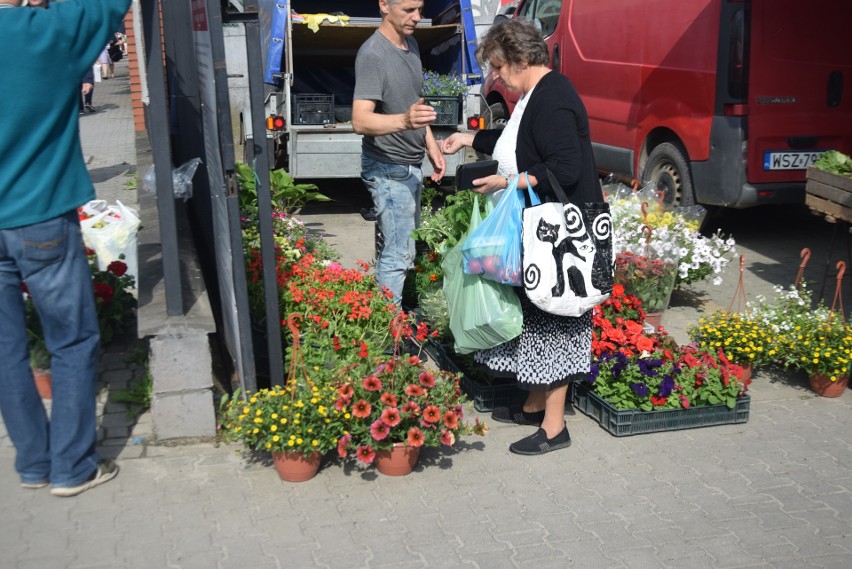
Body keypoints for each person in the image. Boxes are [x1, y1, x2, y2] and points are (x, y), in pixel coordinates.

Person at [440, 19, 601, 455]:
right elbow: (516, 143)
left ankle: (554, 428)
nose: (497, 77)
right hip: (542, 231)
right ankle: (534, 404)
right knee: (537, 317)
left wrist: (507, 184)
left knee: (555, 320)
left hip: (561, 239)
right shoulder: (536, 96)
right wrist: (468, 138)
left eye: (498, 67)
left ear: (519, 58)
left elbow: (564, 168)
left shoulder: (553, 98)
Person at [0, 0, 130, 496]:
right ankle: (72, 467)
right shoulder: (51, 30)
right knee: (71, 342)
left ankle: (33, 463)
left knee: (6, 351)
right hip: (40, 213)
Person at [352, 0, 446, 304]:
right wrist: (405, 121)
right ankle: (388, 338)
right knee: (397, 255)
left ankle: (397, 320)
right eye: (408, 9)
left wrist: (430, 145)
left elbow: (414, 101)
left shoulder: (412, 45)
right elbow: (360, 120)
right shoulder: (373, 55)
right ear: (384, 6)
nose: (418, 17)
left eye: (420, 8)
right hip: (388, 169)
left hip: (410, 165)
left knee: (404, 249)